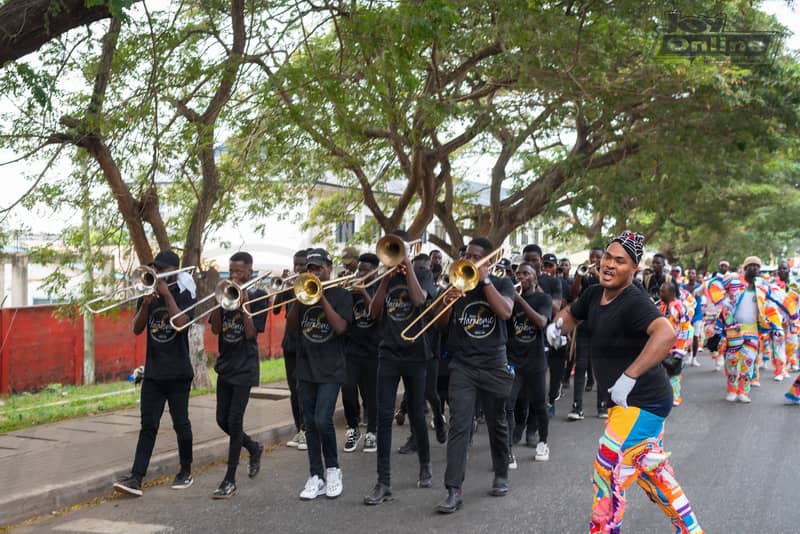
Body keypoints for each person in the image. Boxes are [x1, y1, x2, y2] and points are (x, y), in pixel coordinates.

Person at [547, 231, 703, 534]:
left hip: (644, 401)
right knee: (649, 471)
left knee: (607, 467)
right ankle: (692, 529)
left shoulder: (635, 301)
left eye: (619, 261)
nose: (609, 264)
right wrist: (558, 326)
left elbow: (666, 334)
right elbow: (572, 313)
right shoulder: (594, 293)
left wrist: (629, 377)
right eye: (608, 257)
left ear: (634, 269)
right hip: (624, 404)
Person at [435, 237, 515, 513]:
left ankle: (501, 473)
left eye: (476, 256)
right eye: (467, 254)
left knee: (497, 422)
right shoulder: (458, 283)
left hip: (494, 363)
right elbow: (441, 325)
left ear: (489, 260)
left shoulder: (502, 283)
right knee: (459, 425)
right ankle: (453, 490)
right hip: (463, 366)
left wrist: (484, 281)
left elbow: (505, 312)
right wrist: (447, 300)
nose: (469, 259)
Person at [113, 250, 197, 497]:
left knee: (181, 423)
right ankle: (136, 478)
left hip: (179, 372)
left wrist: (167, 295)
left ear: (172, 271)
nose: (157, 274)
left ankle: (186, 470)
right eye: (155, 270)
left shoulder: (184, 293)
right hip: (153, 373)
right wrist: (147, 304)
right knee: (148, 425)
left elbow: (181, 325)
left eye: (161, 270)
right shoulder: (147, 294)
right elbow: (136, 329)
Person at [364, 230, 436, 505]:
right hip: (389, 354)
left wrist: (407, 271)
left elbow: (419, 300)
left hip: (417, 354)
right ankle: (383, 482)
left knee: (417, 414)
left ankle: (426, 464)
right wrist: (384, 279)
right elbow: (373, 313)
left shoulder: (422, 272)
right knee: (383, 417)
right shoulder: (385, 276)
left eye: (399, 250)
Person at [287, 248, 353, 500]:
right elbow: (291, 328)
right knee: (309, 424)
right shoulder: (303, 295)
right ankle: (316, 475)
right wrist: (299, 297)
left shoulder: (341, 295)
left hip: (331, 369)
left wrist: (321, 296)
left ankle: (334, 469)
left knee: (322, 420)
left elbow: (340, 328)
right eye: (310, 269)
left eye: (318, 268)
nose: (314, 272)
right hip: (305, 369)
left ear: (329, 267)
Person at [208, 252, 267, 498]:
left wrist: (244, 305)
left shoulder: (260, 296)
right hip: (226, 365)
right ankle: (253, 447)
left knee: (234, 421)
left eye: (240, 272)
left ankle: (230, 479)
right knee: (222, 420)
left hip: (245, 367)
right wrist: (221, 304)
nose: (235, 276)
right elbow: (215, 329)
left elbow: (251, 334)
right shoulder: (224, 294)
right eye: (232, 271)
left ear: (250, 272)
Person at [706, 256, 783, 402]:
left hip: (753, 329)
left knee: (749, 360)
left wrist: (776, 325)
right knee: (732, 360)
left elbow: (771, 307)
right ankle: (732, 390)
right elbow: (713, 284)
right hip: (733, 328)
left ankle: (743, 392)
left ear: (759, 270)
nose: (754, 268)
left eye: (757, 266)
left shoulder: (763, 286)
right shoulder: (733, 279)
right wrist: (722, 299)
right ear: (745, 268)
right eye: (751, 265)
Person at [505, 262, 552, 470]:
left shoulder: (543, 299)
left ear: (535, 277)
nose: (522, 277)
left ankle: (542, 442)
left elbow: (541, 322)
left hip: (535, 361)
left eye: (527, 273)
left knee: (539, 404)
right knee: (508, 404)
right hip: (514, 360)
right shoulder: (510, 299)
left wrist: (520, 300)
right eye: (519, 273)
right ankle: (506, 450)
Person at [342, 253, 381, 453]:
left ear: (375, 270)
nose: (361, 273)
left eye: (366, 270)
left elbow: (377, 313)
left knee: (372, 394)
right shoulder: (351, 290)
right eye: (360, 270)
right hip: (352, 349)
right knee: (348, 390)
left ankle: (372, 431)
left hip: (374, 351)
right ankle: (353, 427)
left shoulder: (382, 287)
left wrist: (364, 292)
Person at [567, 247, 608, 420]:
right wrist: (579, 275)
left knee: (602, 367)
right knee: (581, 364)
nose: (594, 259)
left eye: (598, 257)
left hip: (603, 326)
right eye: (592, 256)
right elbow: (574, 293)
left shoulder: (607, 275)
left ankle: (603, 405)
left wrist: (596, 273)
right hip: (584, 325)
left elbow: (608, 287)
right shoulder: (585, 275)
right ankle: (577, 407)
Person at [276, 250, 309, 451]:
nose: (297, 269)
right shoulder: (291, 285)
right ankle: (300, 429)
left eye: (302, 266)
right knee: (293, 390)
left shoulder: (311, 287)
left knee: (302, 388)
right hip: (290, 343)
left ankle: (307, 430)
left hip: (307, 343)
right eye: (295, 265)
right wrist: (283, 287)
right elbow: (276, 310)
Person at [658, 280, 691, 406]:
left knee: (674, 372)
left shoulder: (679, 307)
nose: (660, 293)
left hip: (675, 346)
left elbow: (685, 328)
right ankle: (665, 395)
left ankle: (675, 397)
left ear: (671, 293)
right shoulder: (662, 305)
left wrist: (680, 348)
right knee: (663, 371)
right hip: (663, 344)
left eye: (663, 291)